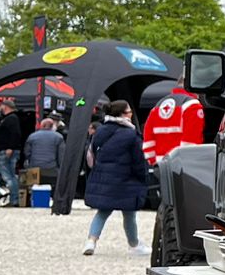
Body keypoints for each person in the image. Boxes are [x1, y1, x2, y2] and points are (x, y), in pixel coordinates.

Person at [81, 100, 150, 255]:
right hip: (127, 178)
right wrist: (143, 177)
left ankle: (91, 241)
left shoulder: (100, 130)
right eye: (129, 112)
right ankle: (134, 245)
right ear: (122, 115)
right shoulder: (132, 134)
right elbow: (138, 160)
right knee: (129, 213)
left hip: (104, 176)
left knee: (103, 212)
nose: (131, 114)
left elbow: (92, 154)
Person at [19, 116, 64, 208]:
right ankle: (56, 202)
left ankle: (29, 202)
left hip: (34, 170)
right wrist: (60, 169)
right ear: (52, 126)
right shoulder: (58, 137)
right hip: (52, 169)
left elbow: (27, 153)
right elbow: (61, 155)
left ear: (41, 125)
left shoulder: (32, 136)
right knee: (56, 184)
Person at [0, 107, 24, 206]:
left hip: (7, 150)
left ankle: (14, 200)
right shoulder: (12, 119)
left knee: (8, 176)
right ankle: (14, 199)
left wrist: (10, 147)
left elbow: (15, 134)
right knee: (10, 176)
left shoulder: (12, 119)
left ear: (5, 107)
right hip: (8, 149)